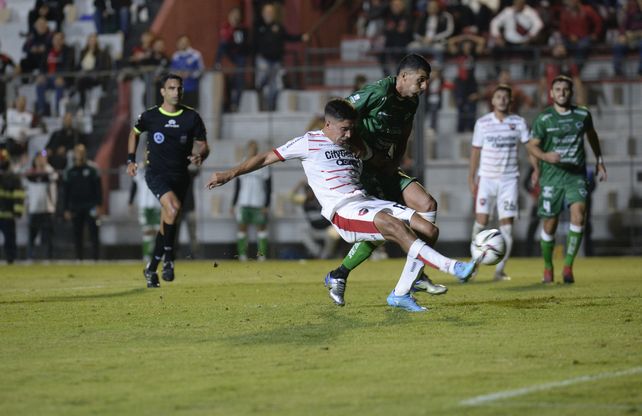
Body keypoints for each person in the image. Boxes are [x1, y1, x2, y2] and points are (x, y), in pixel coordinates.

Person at [206, 99, 477, 312]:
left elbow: (378, 164)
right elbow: (266, 157)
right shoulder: (308, 142)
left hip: (368, 201)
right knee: (392, 226)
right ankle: (453, 267)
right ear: (327, 124)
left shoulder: (354, 143)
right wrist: (229, 174)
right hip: (343, 210)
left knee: (429, 230)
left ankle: (400, 294)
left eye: (351, 128)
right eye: (344, 128)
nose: (348, 134)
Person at [324, 54, 448, 303]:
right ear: (403, 76)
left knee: (428, 205)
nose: (424, 87)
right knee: (385, 229)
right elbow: (339, 118)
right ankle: (339, 274)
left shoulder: (410, 102)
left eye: (426, 82)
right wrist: (363, 151)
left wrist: (396, 161)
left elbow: (404, 135)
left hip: (385, 165)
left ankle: (417, 271)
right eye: (421, 80)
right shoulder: (378, 92)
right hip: (365, 169)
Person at [126, 73, 209, 288]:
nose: (176, 92)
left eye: (179, 88)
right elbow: (134, 133)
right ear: (163, 91)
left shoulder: (191, 117)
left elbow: (203, 145)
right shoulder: (151, 116)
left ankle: (151, 268)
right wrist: (130, 160)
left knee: (168, 220)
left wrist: (201, 155)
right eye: (171, 88)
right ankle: (170, 259)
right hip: (156, 174)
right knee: (172, 209)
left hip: (181, 176)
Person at [526, 75, 607, 284]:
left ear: (571, 93)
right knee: (549, 225)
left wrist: (599, 160)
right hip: (552, 177)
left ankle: (569, 266)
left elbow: (592, 135)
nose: (562, 92)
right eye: (558, 89)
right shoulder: (544, 119)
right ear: (551, 94)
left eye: (565, 89)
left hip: (575, 176)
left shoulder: (582, 114)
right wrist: (544, 158)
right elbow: (531, 145)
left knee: (579, 216)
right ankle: (547, 267)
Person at [467, 84, 530, 281]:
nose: (502, 99)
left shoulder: (518, 123)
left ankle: (499, 270)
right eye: (498, 96)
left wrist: (536, 169)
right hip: (486, 178)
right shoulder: (483, 123)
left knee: (507, 227)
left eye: (505, 97)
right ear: (492, 101)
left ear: (510, 101)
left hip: (509, 181)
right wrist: (471, 177)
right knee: (481, 222)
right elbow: (476, 151)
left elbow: (529, 147)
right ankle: (474, 265)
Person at [252, 2, 309, 111]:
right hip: (263, 60)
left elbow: (288, 37)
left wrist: (301, 37)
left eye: (271, 12)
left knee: (276, 86)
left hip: (276, 61)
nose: (269, 14)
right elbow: (253, 44)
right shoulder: (258, 27)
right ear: (263, 14)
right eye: (267, 12)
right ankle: (261, 100)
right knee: (261, 83)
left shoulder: (278, 26)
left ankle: (271, 106)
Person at [231, 140, 272, 261]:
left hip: (258, 202)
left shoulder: (264, 164)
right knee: (242, 228)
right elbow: (237, 186)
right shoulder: (241, 163)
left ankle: (262, 256)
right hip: (243, 202)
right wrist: (233, 203)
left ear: (257, 150)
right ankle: (242, 255)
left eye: (254, 148)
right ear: (247, 149)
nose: (252, 151)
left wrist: (267, 204)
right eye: (250, 148)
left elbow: (269, 186)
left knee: (261, 228)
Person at [64, 144, 102, 261]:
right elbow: (66, 192)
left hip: (90, 205)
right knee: (77, 233)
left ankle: (96, 258)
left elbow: (99, 189)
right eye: (77, 152)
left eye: (82, 152)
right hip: (76, 206)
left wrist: (99, 205)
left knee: (93, 232)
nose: (79, 154)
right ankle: (79, 258)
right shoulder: (70, 171)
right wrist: (66, 208)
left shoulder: (92, 169)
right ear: (74, 154)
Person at [290, 180, 341, 259]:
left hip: (326, 229)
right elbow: (291, 197)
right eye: (307, 191)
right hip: (314, 229)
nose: (309, 193)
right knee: (303, 232)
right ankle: (318, 253)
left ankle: (326, 255)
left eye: (310, 191)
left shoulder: (320, 199)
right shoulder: (304, 200)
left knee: (334, 233)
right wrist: (299, 184)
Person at [214, 6, 249, 112]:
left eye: (237, 15)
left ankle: (235, 104)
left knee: (239, 79)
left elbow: (243, 43)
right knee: (226, 82)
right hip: (228, 55)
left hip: (239, 55)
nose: (235, 17)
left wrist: (236, 29)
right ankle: (217, 63)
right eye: (233, 15)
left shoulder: (242, 28)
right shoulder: (226, 27)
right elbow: (224, 41)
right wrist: (232, 28)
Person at [25, 150, 58, 260]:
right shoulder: (30, 174)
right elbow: (27, 191)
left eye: (43, 158)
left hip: (47, 209)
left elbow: (54, 177)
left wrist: (45, 165)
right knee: (32, 236)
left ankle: (49, 258)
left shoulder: (49, 172)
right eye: (39, 158)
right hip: (34, 209)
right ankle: (30, 257)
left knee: (48, 237)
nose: (40, 160)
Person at [128, 163, 160, 262]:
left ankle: (158, 254)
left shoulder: (159, 166)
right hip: (144, 205)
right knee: (147, 231)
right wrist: (130, 202)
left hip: (157, 203)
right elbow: (134, 185)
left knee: (158, 230)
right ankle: (147, 255)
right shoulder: (140, 170)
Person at [0, 149, 25, 264]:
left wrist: (18, 212)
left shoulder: (13, 177)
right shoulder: (13, 177)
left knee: (10, 240)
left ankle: (11, 260)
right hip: (7, 213)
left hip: (8, 214)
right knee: (10, 238)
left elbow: (19, 195)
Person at [170, 35, 205, 109]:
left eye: (184, 42)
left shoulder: (196, 55)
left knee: (191, 111)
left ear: (188, 42)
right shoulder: (175, 56)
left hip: (191, 88)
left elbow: (201, 70)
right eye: (181, 42)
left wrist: (190, 74)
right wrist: (177, 75)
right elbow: (171, 71)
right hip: (178, 90)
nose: (183, 44)